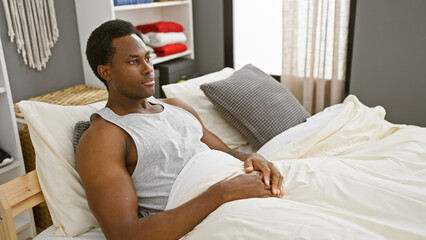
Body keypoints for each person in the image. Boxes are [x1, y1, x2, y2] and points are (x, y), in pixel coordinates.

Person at [76, 19, 284, 240]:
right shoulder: (104, 137)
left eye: (147, 58)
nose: (148, 69)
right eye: (133, 62)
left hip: (241, 189)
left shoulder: (177, 106)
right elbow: (123, 234)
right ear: (105, 72)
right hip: (213, 215)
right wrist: (223, 192)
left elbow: (225, 152)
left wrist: (252, 157)